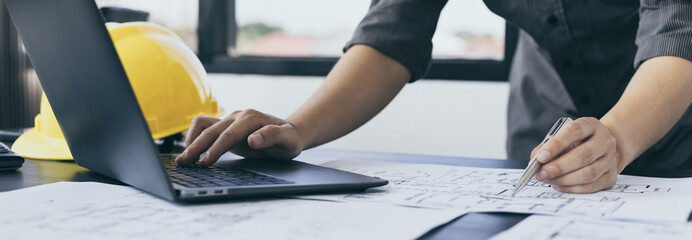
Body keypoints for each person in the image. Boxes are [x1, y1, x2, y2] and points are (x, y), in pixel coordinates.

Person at [176, 0, 692, 194]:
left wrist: (619, 139)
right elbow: (393, 32)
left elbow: (678, 33)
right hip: (549, 114)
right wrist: (298, 129)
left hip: (674, 112)